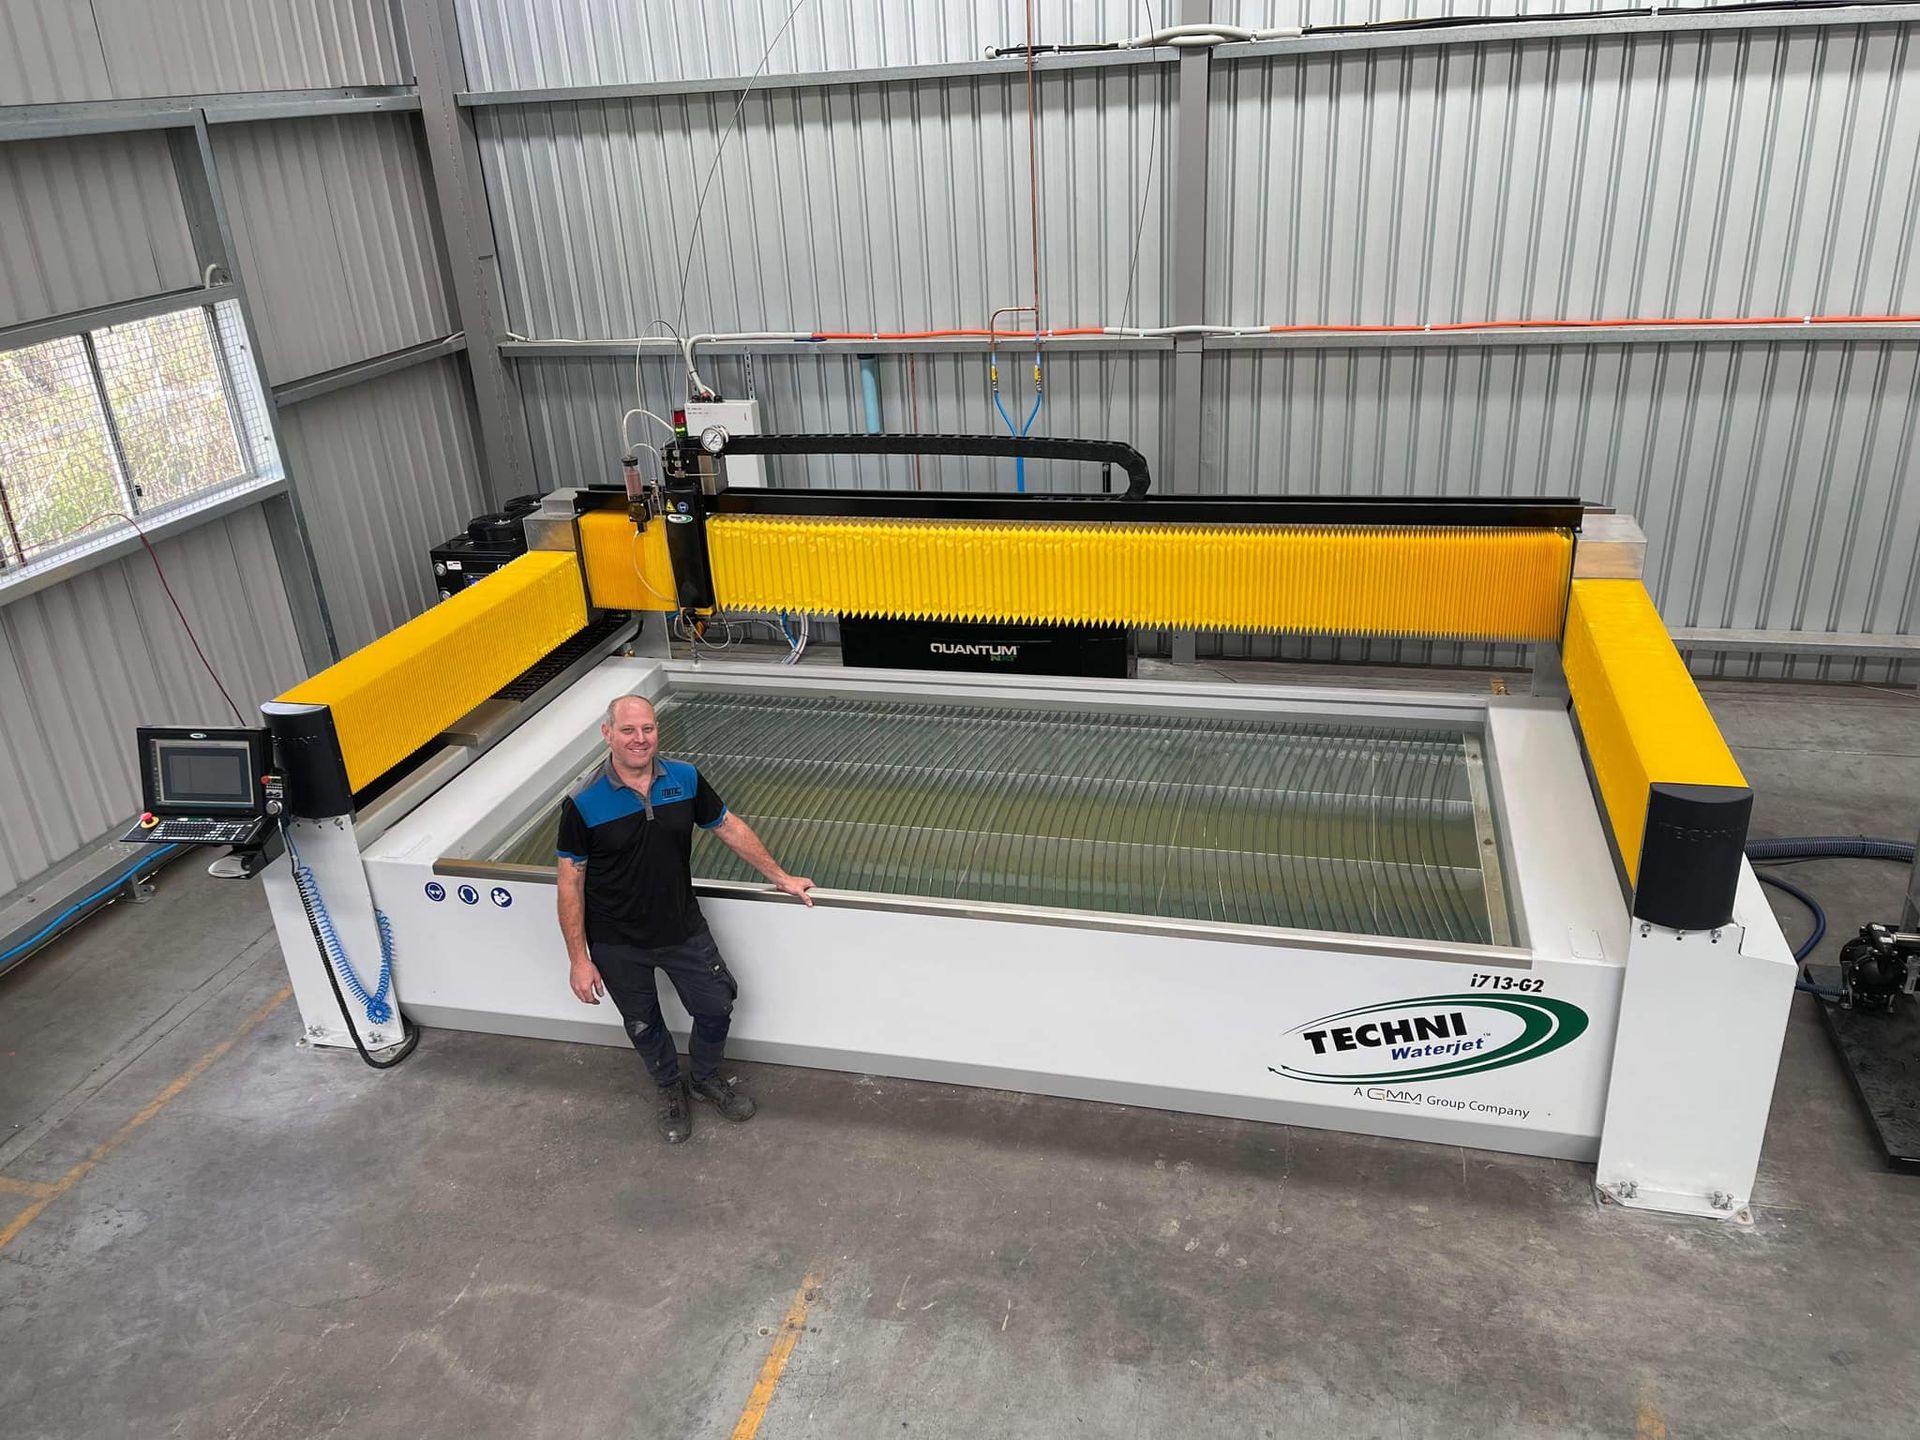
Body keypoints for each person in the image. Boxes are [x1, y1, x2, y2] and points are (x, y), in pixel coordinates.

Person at [556, 694, 813, 1143]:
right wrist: (579, 959)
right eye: (628, 730)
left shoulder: (685, 779)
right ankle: (668, 1087)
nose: (640, 739)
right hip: (617, 940)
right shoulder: (582, 802)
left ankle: (704, 1078)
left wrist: (781, 877)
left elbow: (726, 825)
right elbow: (570, 881)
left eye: (648, 728)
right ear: (608, 734)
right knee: (642, 1023)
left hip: (681, 926)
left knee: (716, 1005)